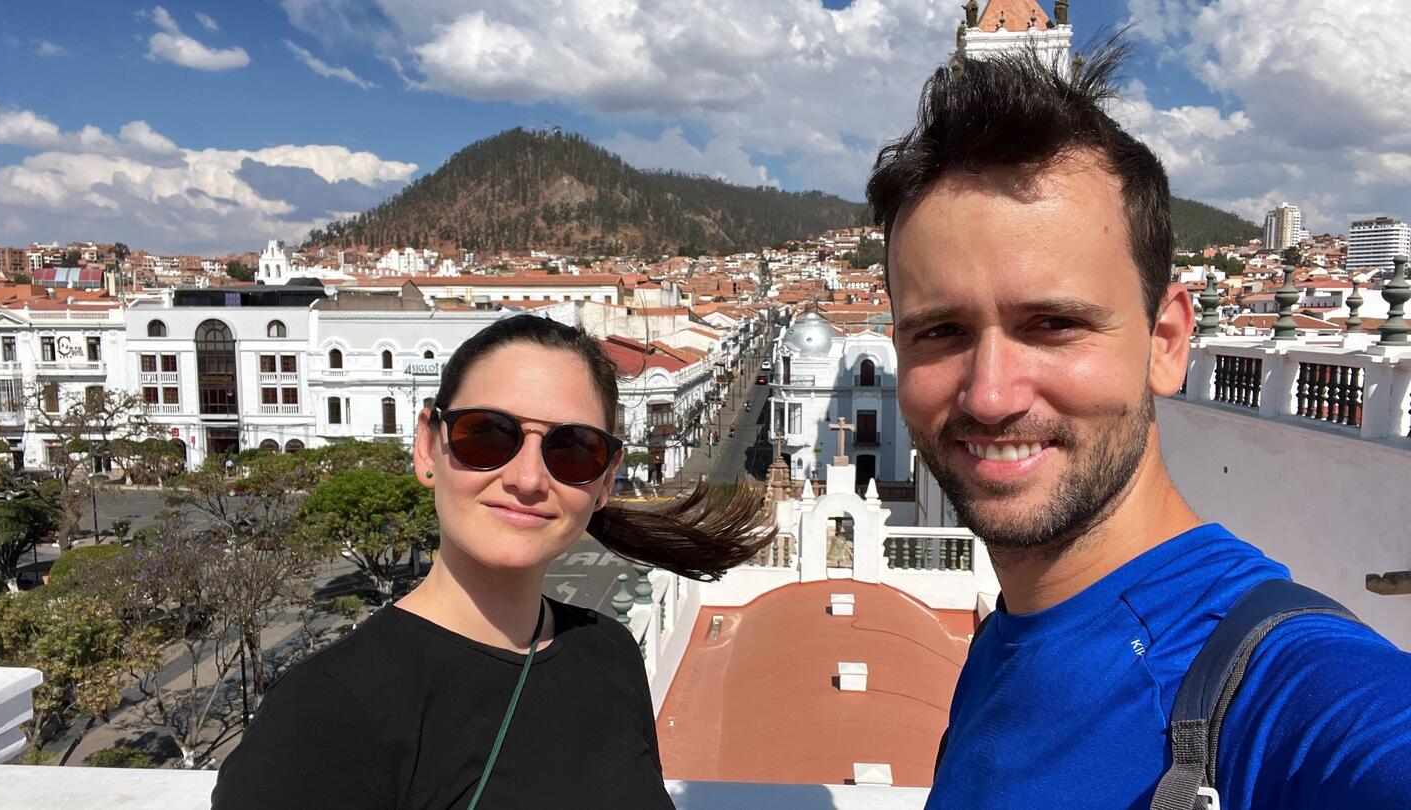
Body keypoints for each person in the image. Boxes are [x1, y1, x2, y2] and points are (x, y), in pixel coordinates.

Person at [866, 41, 1411, 809]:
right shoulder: (1000, 644)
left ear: (1166, 342)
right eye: (940, 331)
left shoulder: (1285, 693)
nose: (989, 396)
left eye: (1054, 323)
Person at [213, 314, 774, 809]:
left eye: (573, 449)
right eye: (486, 435)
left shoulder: (610, 654)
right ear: (428, 447)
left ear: (605, 480)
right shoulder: (325, 712)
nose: (527, 479)